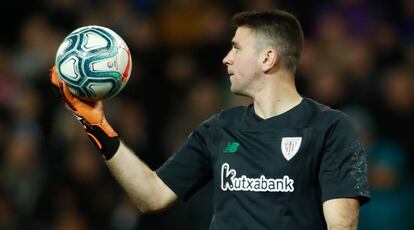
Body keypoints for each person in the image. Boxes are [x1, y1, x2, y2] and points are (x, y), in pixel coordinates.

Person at [51, 9, 370, 230]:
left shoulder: (330, 128)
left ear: (267, 58)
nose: (226, 58)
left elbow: (342, 224)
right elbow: (152, 196)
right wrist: (96, 125)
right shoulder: (219, 128)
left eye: (236, 48)